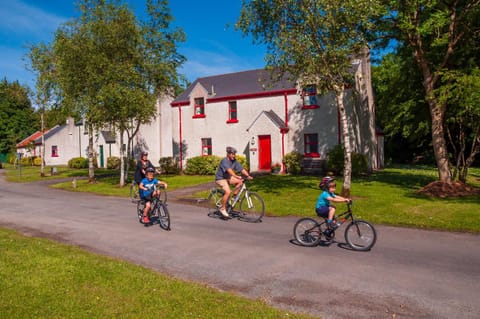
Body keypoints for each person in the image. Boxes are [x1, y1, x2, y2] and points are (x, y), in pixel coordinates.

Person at [215, 146, 253, 218]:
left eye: (234, 154)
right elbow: (229, 170)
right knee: (228, 192)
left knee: (240, 182)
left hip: (228, 178)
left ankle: (234, 197)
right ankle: (222, 208)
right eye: (232, 154)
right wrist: (236, 176)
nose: (233, 155)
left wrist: (248, 175)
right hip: (220, 178)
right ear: (228, 154)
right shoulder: (224, 161)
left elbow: (241, 169)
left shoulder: (234, 161)